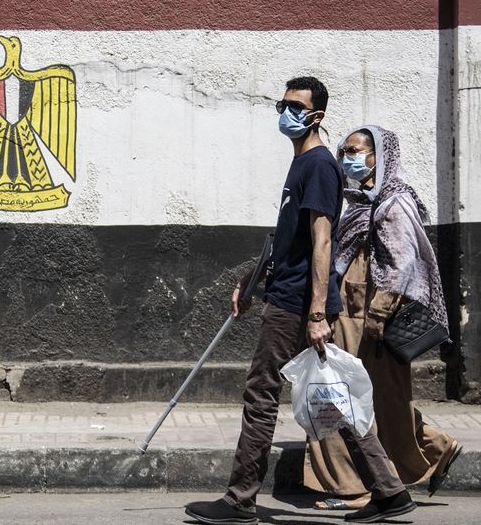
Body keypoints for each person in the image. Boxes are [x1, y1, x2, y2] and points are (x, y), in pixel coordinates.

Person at [184, 78, 416, 525]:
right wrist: (250, 281)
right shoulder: (302, 165)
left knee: (261, 393)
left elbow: (321, 240)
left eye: (295, 106)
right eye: (281, 104)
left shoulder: (318, 167)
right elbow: (286, 242)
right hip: (287, 294)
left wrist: (314, 313)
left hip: (295, 304)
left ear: (317, 115)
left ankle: (239, 500)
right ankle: (389, 491)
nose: (284, 112)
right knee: (334, 395)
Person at [304, 125, 463, 510]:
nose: (347, 158)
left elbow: (402, 264)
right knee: (363, 399)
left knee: (356, 399)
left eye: (356, 151)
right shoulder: (358, 202)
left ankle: (355, 487)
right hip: (350, 309)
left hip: (372, 317)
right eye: (344, 151)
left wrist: (378, 314)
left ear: (381, 156)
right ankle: (434, 448)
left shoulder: (393, 203)